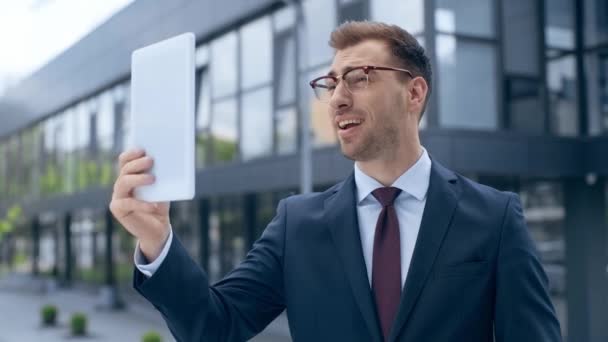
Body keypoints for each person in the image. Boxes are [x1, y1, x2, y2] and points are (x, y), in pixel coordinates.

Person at [110, 21, 562, 342]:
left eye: (360, 78)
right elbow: (213, 327)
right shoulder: (297, 223)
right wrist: (157, 240)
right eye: (330, 83)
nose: (338, 98)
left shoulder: (496, 217)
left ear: (415, 92)